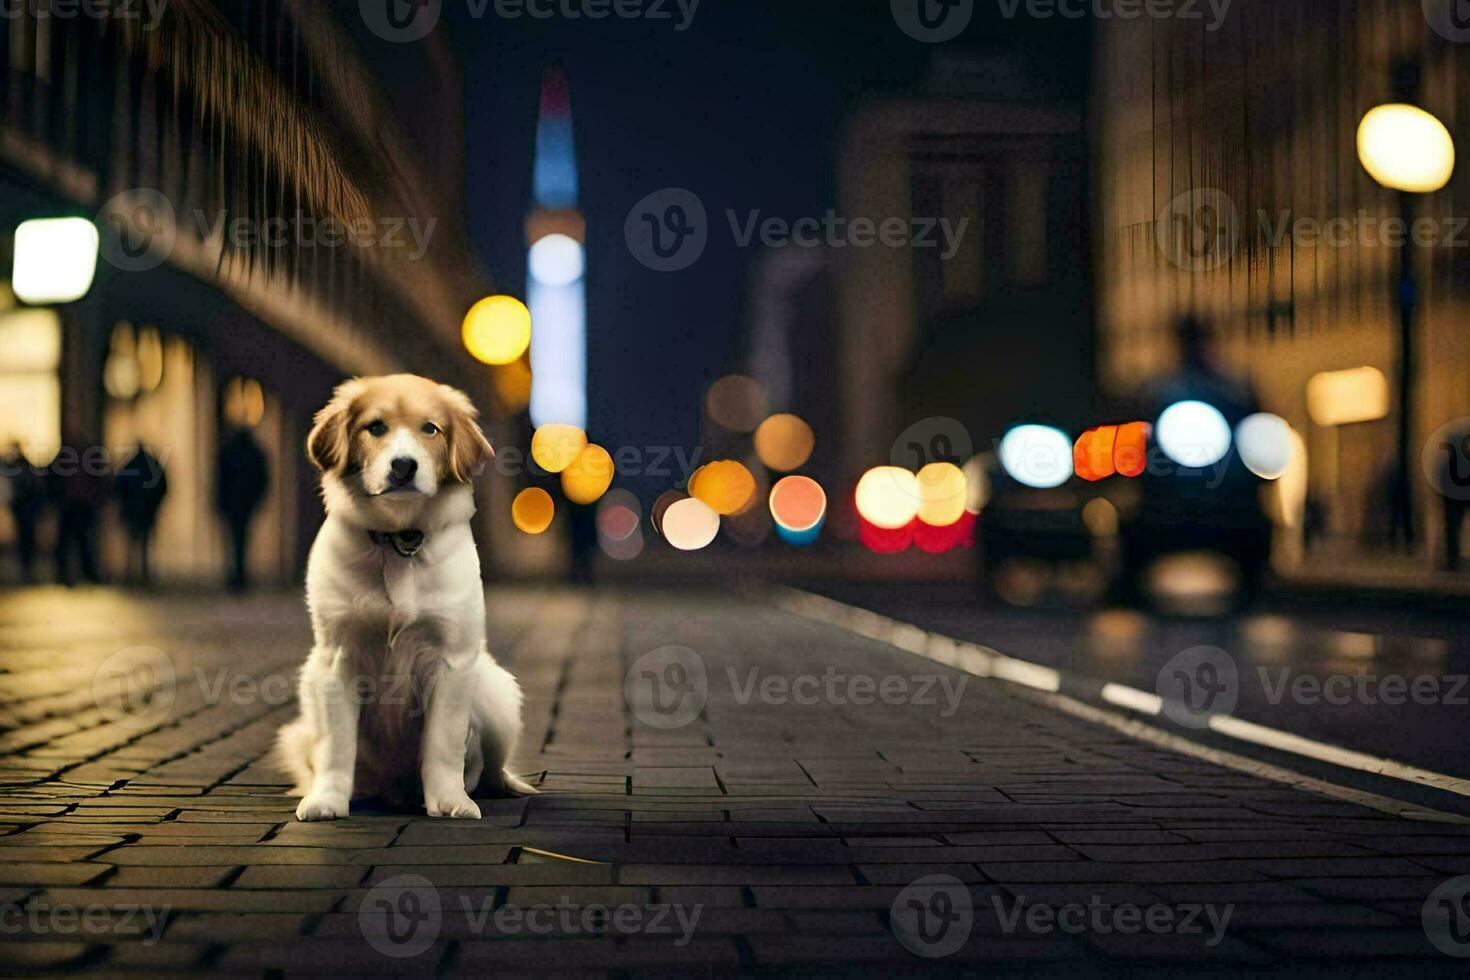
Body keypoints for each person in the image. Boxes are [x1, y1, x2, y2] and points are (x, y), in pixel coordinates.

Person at [49, 432, 111, 586]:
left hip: (80, 506)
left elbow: (99, 481)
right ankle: (70, 573)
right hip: (71, 505)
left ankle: (82, 573)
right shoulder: (70, 457)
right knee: (72, 542)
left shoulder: (84, 457)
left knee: (81, 542)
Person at [216, 426, 269, 591]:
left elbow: (220, 480)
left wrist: (219, 502)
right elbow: (262, 478)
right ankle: (240, 575)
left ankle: (236, 575)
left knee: (234, 540)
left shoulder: (229, 451)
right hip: (246, 504)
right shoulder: (254, 452)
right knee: (242, 540)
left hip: (233, 504)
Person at [114, 445, 169, 586]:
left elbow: (119, 485)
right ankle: (142, 574)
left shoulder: (130, 464)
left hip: (135, 510)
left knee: (134, 544)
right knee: (143, 544)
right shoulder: (150, 464)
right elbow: (162, 485)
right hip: (145, 510)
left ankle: (133, 574)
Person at [1, 443, 45, 583]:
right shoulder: (18, 468)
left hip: (24, 509)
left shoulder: (20, 468)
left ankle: (27, 571)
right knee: (24, 541)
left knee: (26, 541)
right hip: (22, 509)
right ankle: (26, 571)